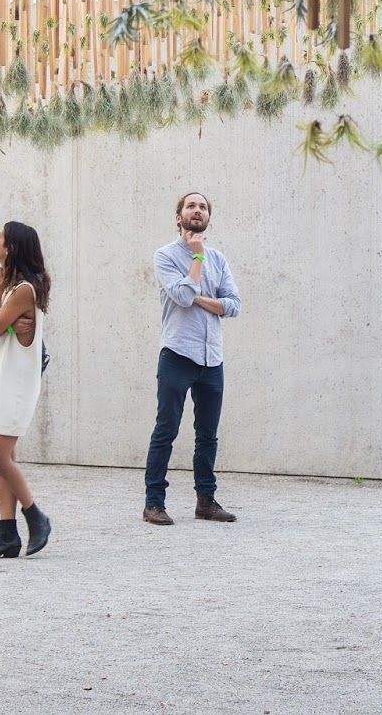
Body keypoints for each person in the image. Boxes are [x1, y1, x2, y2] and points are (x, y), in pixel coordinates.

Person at [143, 191, 242, 525]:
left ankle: (206, 502)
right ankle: (154, 503)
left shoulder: (220, 259)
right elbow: (184, 296)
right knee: (166, 430)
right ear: (179, 217)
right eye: (191, 206)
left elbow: (233, 305)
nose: (197, 210)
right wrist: (197, 257)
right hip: (177, 354)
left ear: (208, 217)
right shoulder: (165, 256)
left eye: (203, 207)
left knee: (208, 435)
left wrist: (202, 298)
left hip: (212, 358)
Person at [0, 220, 54, 559]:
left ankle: (36, 515)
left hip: (14, 386)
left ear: (12, 247)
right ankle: (7, 534)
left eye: (0, 236)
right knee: (5, 458)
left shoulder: (23, 290)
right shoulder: (9, 286)